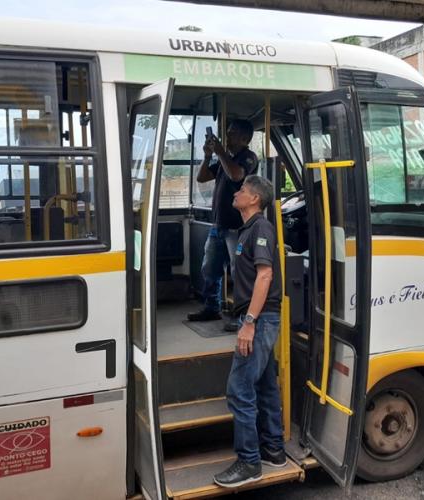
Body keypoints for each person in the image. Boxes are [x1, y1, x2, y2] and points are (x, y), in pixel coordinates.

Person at [213, 175, 285, 488]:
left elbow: (265, 275)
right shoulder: (247, 229)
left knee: (239, 388)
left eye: (242, 190)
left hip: (261, 318)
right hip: (258, 317)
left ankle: (249, 462)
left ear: (254, 199)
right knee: (266, 386)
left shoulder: (261, 228)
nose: (237, 192)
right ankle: (274, 450)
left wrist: (250, 323)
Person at [187, 119, 258, 330]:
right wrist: (209, 155)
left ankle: (243, 316)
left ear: (245, 138)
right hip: (218, 224)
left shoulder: (248, 158)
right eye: (227, 133)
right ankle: (212, 307)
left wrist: (220, 152)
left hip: (238, 227)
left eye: (232, 133)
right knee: (209, 268)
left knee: (239, 273)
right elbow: (201, 178)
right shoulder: (226, 158)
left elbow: (236, 174)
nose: (227, 137)